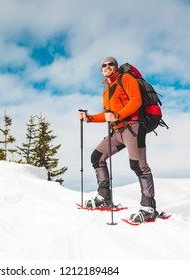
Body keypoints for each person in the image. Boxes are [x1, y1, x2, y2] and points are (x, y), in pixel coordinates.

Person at [78, 56, 158, 223]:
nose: (107, 67)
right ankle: (104, 197)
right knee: (97, 158)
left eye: (110, 64)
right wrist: (89, 118)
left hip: (133, 127)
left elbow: (135, 101)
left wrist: (118, 115)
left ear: (115, 66)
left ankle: (149, 207)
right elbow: (108, 115)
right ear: (101, 70)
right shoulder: (107, 89)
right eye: (104, 65)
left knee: (139, 166)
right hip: (117, 131)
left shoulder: (126, 78)